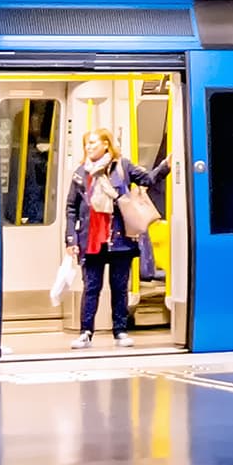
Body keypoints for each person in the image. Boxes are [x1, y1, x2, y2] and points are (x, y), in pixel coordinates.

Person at [64, 128, 166, 347]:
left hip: (120, 239)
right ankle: (86, 332)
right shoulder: (81, 173)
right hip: (92, 239)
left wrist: (166, 166)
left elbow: (148, 179)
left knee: (119, 287)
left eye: (93, 143)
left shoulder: (123, 167)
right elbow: (72, 207)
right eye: (86, 144)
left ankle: (120, 330)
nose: (89, 147)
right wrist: (71, 238)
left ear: (106, 145)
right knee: (91, 287)